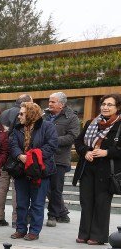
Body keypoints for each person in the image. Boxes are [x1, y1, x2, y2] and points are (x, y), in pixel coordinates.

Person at [73, 94, 121, 245]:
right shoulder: (91, 123)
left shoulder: (119, 125)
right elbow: (78, 141)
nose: (105, 107)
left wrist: (106, 152)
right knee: (86, 201)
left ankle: (98, 236)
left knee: (101, 203)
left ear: (117, 107)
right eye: (103, 104)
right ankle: (84, 233)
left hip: (107, 171)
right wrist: (86, 151)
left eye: (110, 105)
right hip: (87, 168)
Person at [9, 102, 58, 241]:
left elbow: (52, 145)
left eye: (22, 113)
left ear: (30, 114)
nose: (19, 116)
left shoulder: (47, 126)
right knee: (21, 202)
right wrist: (20, 156)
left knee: (37, 203)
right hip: (21, 170)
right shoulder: (17, 128)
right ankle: (21, 229)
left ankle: (34, 231)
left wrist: (33, 157)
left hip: (40, 171)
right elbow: (12, 145)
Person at [0, 94, 32, 227]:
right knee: (17, 188)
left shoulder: (4, 113)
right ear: (26, 103)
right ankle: (16, 219)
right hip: (17, 156)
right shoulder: (23, 114)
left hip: (3, 155)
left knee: (2, 187)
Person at [44, 92, 80, 227]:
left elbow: (72, 137)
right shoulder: (45, 116)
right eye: (49, 101)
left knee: (56, 189)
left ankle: (53, 215)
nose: (49, 104)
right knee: (43, 187)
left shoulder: (72, 118)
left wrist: (52, 141)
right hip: (44, 157)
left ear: (61, 104)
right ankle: (62, 212)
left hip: (59, 159)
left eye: (52, 102)